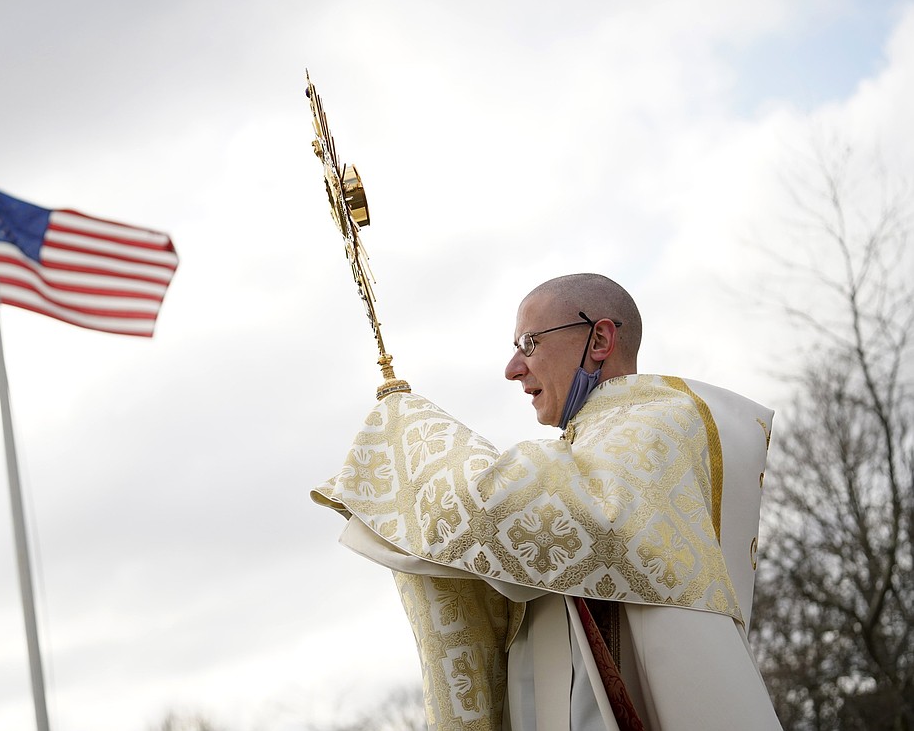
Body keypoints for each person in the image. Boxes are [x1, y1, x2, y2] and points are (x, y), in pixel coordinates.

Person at [313, 274, 782, 730]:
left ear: (599, 339)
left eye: (529, 344)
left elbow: (512, 513)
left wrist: (406, 431)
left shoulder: (658, 425)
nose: (514, 368)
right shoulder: (587, 452)